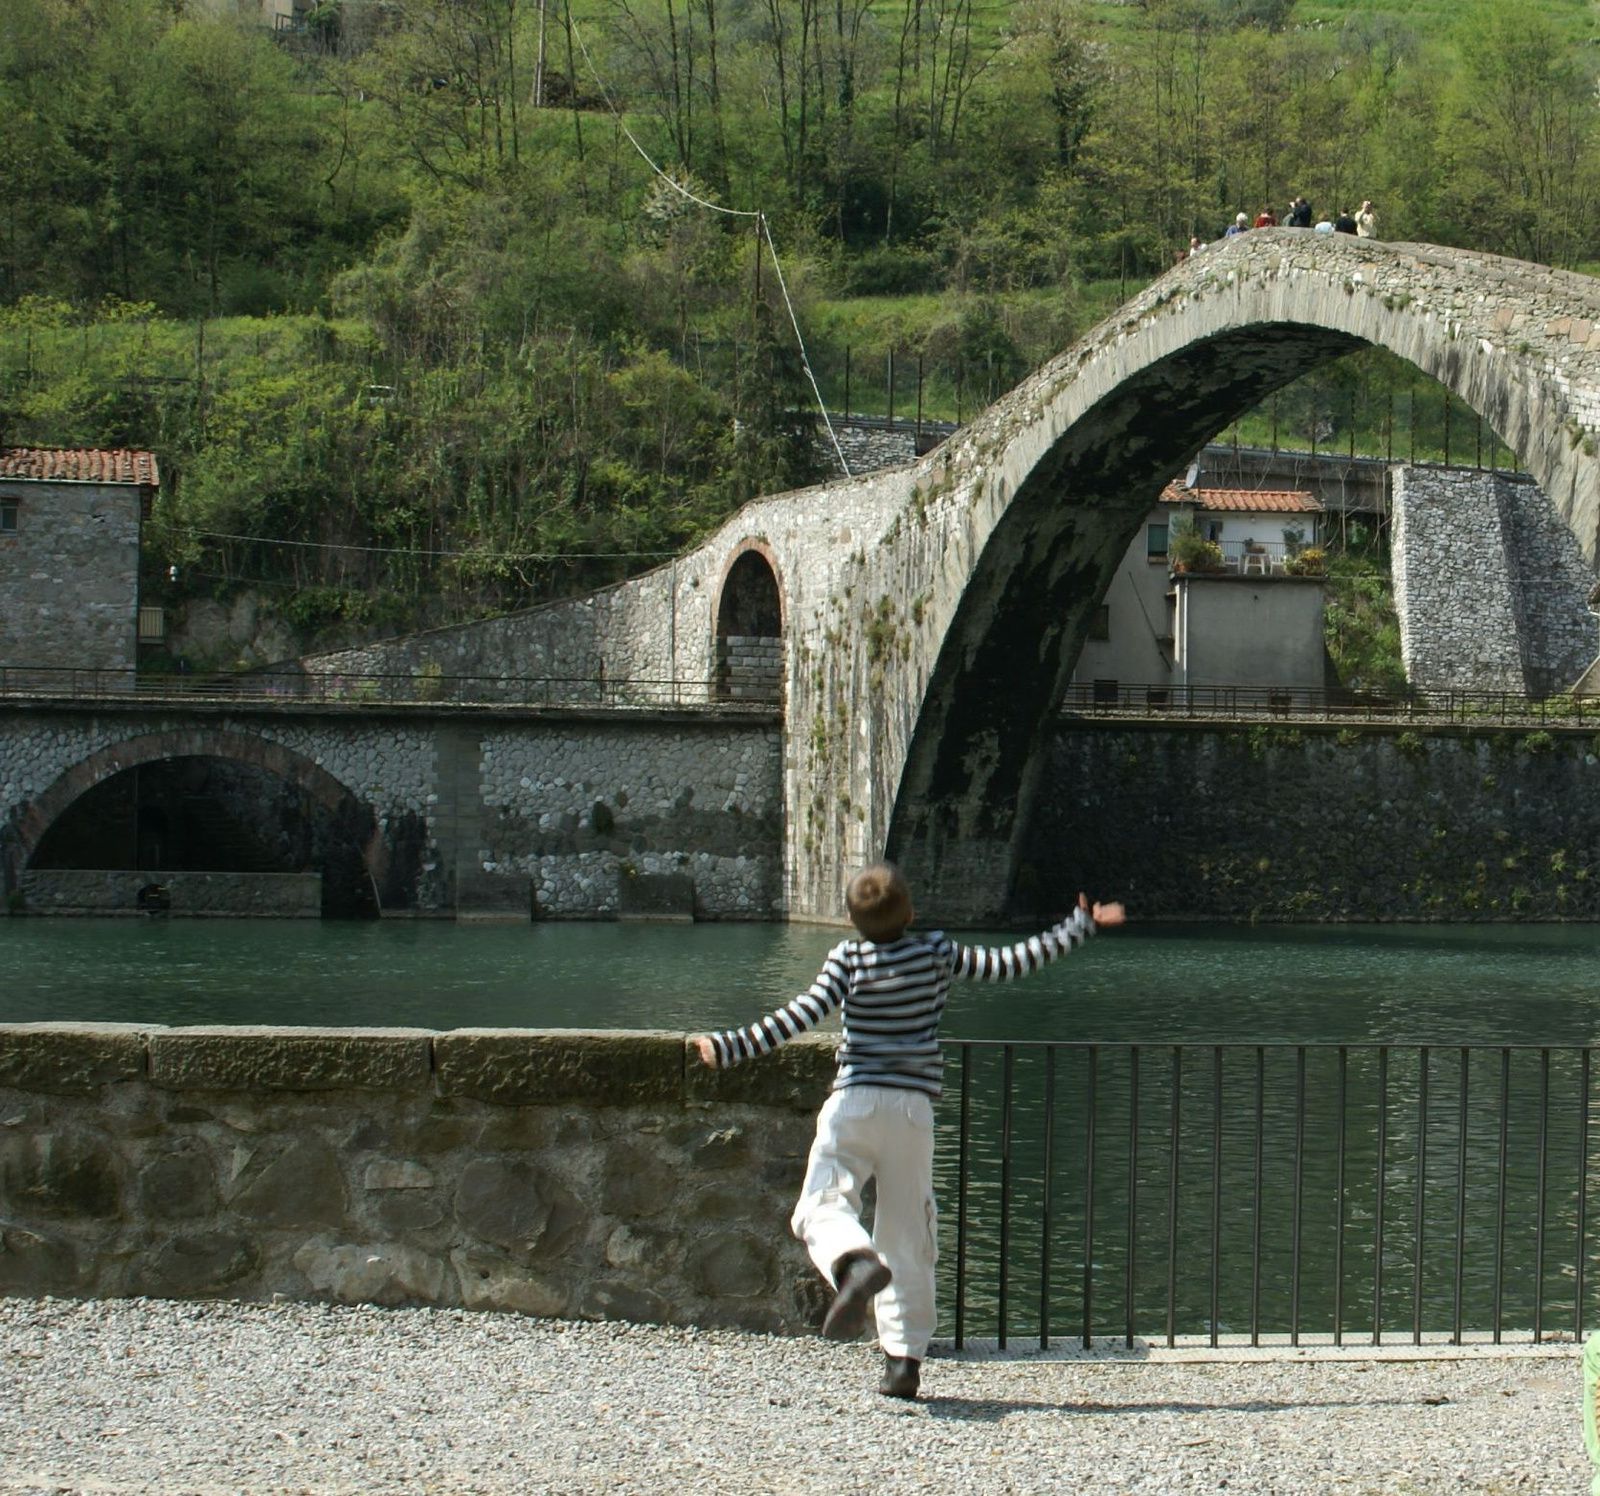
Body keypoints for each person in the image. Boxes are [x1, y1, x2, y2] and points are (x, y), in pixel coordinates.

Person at [693, 862, 1125, 1401]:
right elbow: (1010, 963)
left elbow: (799, 1015)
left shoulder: (847, 959)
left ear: (851, 920)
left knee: (820, 1206)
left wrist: (729, 1046)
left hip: (854, 1101)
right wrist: (1077, 926)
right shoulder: (936, 952)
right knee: (909, 1235)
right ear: (912, 914)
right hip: (911, 1112)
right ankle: (904, 1364)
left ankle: (853, 1262)